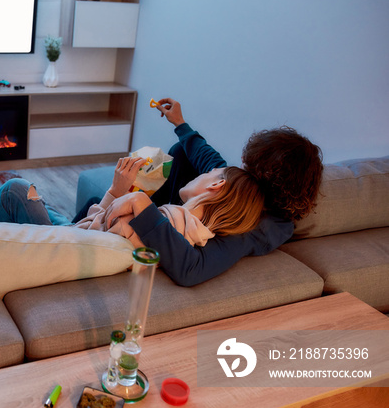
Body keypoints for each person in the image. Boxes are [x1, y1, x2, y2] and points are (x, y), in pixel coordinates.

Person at [99, 98, 323, 285]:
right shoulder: (253, 193)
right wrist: (180, 124)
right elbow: (210, 160)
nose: (240, 162)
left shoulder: (254, 228)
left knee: (96, 202)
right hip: (177, 212)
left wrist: (138, 203)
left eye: (246, 166)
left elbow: (191, 269)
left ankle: (140, 206)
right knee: (181, 151)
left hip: (162, 230)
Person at [72, 157, 265, 248]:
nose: (201, 175)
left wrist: (116, 190)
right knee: (93, 202)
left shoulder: (148, 222)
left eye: (207, 173)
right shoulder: (194, 237)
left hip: (66, 239)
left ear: (216, 184)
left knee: (88, 202)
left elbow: (77, 238)